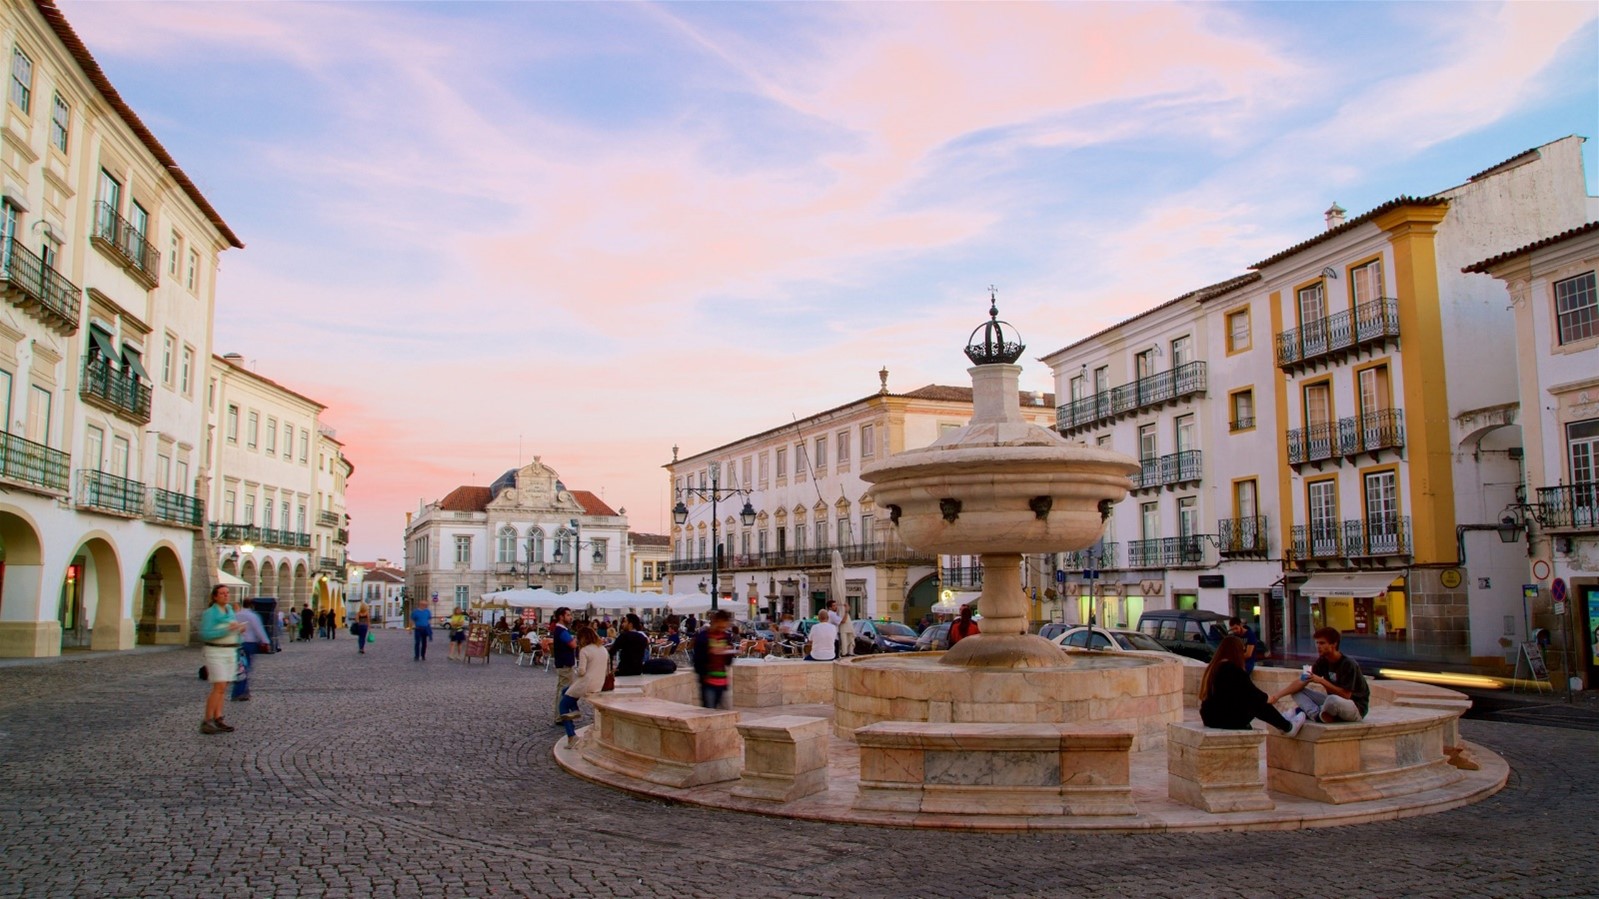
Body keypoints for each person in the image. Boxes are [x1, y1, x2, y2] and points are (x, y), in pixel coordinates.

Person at [1200, 636, 1302, 736]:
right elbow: (1251, 693)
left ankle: (1283, 722)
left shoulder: (1215, 667)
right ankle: (1287, 727)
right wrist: (1268, 698)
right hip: (1224, 719)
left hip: (1210, 717)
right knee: (1258, 704)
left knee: (1255, 701)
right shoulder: (1231, 669)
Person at [1268, 626, 1369, 723]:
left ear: (1333, 644)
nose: (1318, 646)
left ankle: (1313, 712)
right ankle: (1316, 715)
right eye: (1317, 643)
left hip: (1354, 707)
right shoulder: (1323, 661)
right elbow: (1302, 680)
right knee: (1297, 691)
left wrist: (1321, 681)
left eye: (1322, 643)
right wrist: (1276, 696)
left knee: (1332, 699)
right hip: (1332, 703)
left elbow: (1346, 695)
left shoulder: (1348, 664)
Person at [199, 585, 244, 734]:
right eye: (222, 593)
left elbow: (232, 628)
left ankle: (218, 717)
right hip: (216, 651)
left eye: (227, 593)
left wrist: (239, 630)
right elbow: (206, 634)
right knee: (218, 686)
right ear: (215, 597)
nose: (226, 595)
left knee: (223, 687)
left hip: (230, 650)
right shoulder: (210, 613)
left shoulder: (230, 610)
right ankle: (207, 720)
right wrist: (227, 630)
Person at [558, 624, 608, 748]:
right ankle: (575, 709)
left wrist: (575, 671)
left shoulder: (584, 650)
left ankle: (571, 736)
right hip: (598, 684)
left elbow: (582, 671)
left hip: (586, 684)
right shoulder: (603, 649)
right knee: (565, 690)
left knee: (563, 705)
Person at [691, 610, 738, 708]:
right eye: (720, 626)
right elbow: (697, 660)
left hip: (722, 681)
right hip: (708, 682)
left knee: (726, 712)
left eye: (724, 627)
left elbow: (728, 662)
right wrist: (710, 652)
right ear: (715, 622)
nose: (721, 629)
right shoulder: (703, 637)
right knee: (709, 711)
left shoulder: (726, 637)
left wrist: (728, 652)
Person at [231, 596, 270, 702]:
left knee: (240, 666)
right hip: (249, 643)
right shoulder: (253, 616)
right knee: (245, 668)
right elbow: (259, 630)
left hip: (237, 642)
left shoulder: (236, 614)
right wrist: (266, 642)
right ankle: (238, 692)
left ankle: (244, 691)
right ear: (252, 605)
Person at [550, 607, 577, 725]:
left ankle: (560, 714)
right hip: (565, 664)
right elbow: (572, 645)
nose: (570, 617)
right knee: (564, 690)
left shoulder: (561, 630)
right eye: (568, 615)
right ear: (561, 617)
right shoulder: (561, 631)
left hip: (563, 663)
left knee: (562, 689)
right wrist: (576, 639)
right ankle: (561, 715)